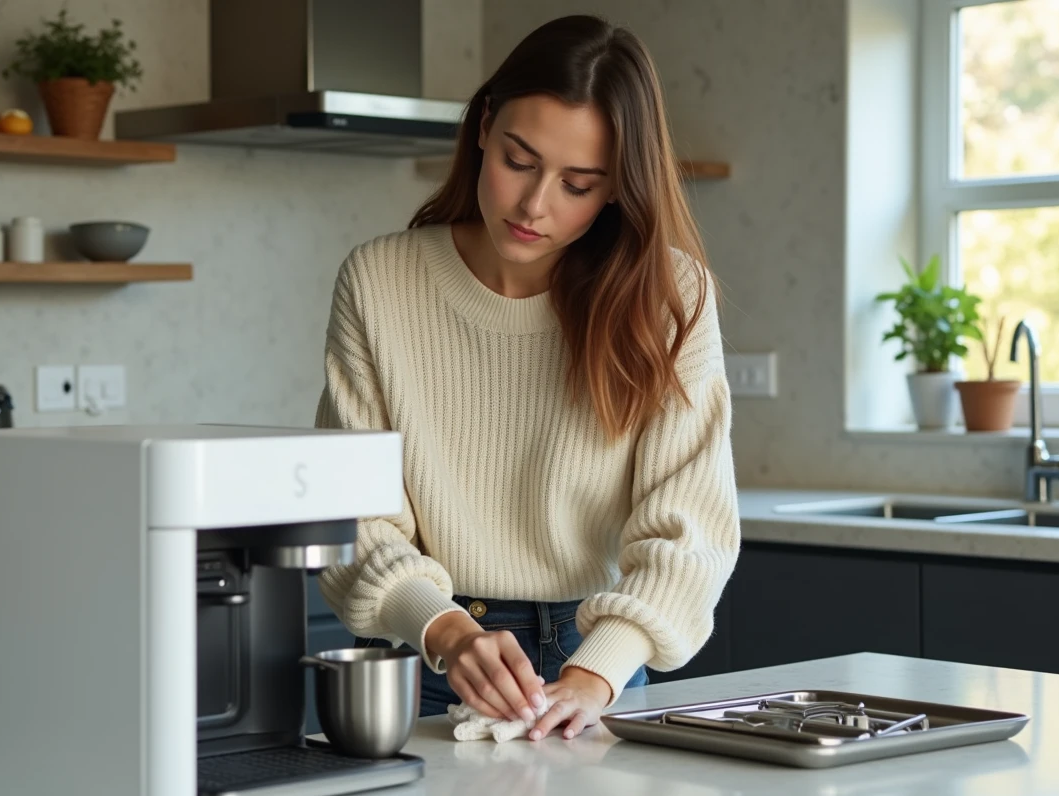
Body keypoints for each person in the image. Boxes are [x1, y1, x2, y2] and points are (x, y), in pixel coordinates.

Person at [313, 13, 740, 743]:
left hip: (601, 654)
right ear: (483, 126)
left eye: (579, 183)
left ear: (616, 189)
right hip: (432, 650)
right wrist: (443, 631)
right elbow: (354, 512)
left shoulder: (671, 298)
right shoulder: (380, 280)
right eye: (519, 159)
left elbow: (689, 535)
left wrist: (595, 672)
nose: (535, 205)